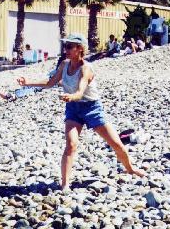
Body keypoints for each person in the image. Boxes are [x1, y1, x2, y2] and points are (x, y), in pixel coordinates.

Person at [16, 33, 145, 190]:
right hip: (73, 110)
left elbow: (80, 90)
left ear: (80, 49)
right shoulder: (64, 64)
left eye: (70, 46)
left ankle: (130, 169)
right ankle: (64, 184)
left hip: (91, 108)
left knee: (116, 143)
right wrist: (27, 83)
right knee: (71, 145)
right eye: (65, 46)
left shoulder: (86, 68)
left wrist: (72, 96)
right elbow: (50, 83)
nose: (66, 49)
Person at [0, 52, 66, 101]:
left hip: (55, 82)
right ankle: (13, 93)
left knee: (36, 88)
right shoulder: (61, 66)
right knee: (31, 85)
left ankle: (15, 95)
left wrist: (56, 81)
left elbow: (61, 81)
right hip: (52, 79)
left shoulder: (67, 68)